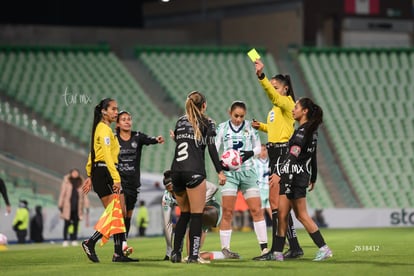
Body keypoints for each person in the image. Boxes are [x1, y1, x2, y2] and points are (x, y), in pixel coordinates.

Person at [252, 58, 303, 260]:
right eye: (272, 87)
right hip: (275, 153)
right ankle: (294, 246)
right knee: (279, 202)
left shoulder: (287, 103)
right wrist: (262, 126)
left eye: (276, 87)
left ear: (285, 89)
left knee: (275, 201)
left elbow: (274, 98)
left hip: (282, 153)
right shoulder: (275, 110)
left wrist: (261, 77)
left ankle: (276, 250)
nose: (273, 90)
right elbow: (276, 129)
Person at [271, 97, 332, 261]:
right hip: (294, 175)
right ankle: (277, 253)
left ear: (304, 111)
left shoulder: (302, 132)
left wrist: (279, 173)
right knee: (282, 214)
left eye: (296, 107)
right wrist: (313, 176)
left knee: (301, 215)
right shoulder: (311, 131)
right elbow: (312, 156)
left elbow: (293, 154)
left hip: (295, 176)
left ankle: (324, 248)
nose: (293, 109)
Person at [169, 91, 226, 264]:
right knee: (196, 215)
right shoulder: (208, 122)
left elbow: (183, 143)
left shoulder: (180, 121)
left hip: (176, 172)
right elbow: (211, 148)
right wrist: (220, 171)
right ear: (204, 105)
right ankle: (193, 256)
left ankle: (176, 254)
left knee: (184, 214)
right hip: (193, 171)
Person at [81, 98, 138, 263]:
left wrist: (90, 175)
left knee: (118, 212)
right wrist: (116, 178)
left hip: (101, 171)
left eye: (116, 109)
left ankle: (117, 253)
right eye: (113, 109)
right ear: (104, 111)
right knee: (116, 212)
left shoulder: (102, 129)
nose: (116, 112)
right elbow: (106, 156)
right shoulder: (104, 130)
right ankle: (90, 242)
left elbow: (93, 153)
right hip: (105, 172)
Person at [215, 101, 268, 259]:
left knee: (256, 210)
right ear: (229, 113)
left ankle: (264, 249)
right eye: (235, 115)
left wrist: (248, 154)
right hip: (229, 174)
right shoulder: (222, 128)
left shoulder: (250, 126)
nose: (238, 119)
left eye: (241, 116)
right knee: (228, 212)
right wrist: (220, 170)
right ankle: (226, 249)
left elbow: (258, 147)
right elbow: (215, 148)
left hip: (248, 173)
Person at [116, 110, 164, 238]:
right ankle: (118, 247)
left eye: (129, 119)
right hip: (119, 182)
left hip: (133, 182)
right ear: (118, 124)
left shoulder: (137, 136)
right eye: (123, 119)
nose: (127, 121)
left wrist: (156, 139)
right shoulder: (113, 138)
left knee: (128, 216)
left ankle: (123, 243)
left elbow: (149, 139)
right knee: (121, 213)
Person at [162, 170, 225, 262]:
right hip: (195, 214)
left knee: (195, 218)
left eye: (174, 189)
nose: (174, 193)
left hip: (211, 209)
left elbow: (214, 188)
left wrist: (199, 204)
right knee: (190, 254)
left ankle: (196, 254)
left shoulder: (190, 184)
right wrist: (169, 251)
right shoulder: (167, 198)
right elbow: (167, 224)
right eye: (170, 191)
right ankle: (222, 255)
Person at [58, 168, 90, 247]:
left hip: (77, 206)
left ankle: (74, 239)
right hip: (67, 206)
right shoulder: (66, 181)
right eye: (74, 173)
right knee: (67, 224)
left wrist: (87, 205)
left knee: (76, 224)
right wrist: (60, 204)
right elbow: (62, 193)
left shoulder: (81, 182)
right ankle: (65, 240)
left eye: (76, 173)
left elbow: (85, 195)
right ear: (71, 173)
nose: (75, 174)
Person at [254, 144, 272, 222]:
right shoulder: (254, 162)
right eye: (261, 150)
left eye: (264, 150)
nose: (263, 152)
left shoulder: (271, 162)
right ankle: (262, 232)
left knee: (272, 211)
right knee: (260, 212)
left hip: (270, 189)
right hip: (260, 189)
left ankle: (277, 230)